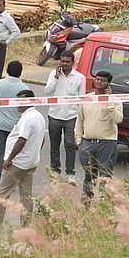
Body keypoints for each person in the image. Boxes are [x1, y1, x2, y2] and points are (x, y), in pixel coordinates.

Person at [0, 90, 47, 239]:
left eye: (20, 101)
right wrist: (34, 154)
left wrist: (9, 159)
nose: (17, 104)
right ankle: (26, 229)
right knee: (26, 197)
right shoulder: (38, 116)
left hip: (18, 163)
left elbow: (21, 140)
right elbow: (42, 139)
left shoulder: (27, 119)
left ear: (29, 101)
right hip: (30, 162)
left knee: (2, 195)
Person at [76, 71, 122, 198]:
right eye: (97, 79)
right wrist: (79, 141)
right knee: (89, 176)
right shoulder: (87, 98)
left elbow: (118, 119)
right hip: (88, 143)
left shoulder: (115, 100)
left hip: (107, 143)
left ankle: (103, 204)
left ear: (108, 83)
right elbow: (79, 120)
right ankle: (86, 204)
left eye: (102, 80)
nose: (99, 82)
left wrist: (109, 103)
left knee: (105, 177)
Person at [0, 61, 29, 187]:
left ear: (7, 70)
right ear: (20, 73)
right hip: (15, 128)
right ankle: (11, 181)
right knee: (13, 154)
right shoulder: (25, 88)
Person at [44, 51, 86, 183]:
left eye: (67, 62)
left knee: (70, 145)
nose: (64, 64)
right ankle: (55, 170)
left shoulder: (80, 77)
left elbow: (81, 99)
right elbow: (47, 92)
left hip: (71, 116)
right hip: (55, 115)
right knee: (54, 145)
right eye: (62, 61)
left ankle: (70, 173)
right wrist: (56, 78)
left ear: (73, 63)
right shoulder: (53, 74)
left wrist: (81, 120)